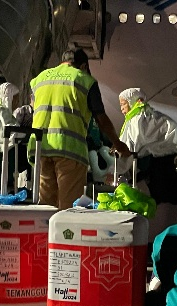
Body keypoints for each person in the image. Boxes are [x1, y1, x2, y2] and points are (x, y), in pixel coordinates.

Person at [29, 49, 130, 210]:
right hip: (69, 150)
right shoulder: (85, 80)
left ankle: (45, 235)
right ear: (83, 66)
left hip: (41, 148)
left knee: (46, 206)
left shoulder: (40, 79)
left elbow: (34, 108)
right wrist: (117, 143)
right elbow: (101, 119)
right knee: (69, 206)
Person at [117, 87, 177, 239]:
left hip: (166, 164)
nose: (122, 109)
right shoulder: (147, 115)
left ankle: (159, 238)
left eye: (123, 104)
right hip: (169, 163)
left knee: (164, 201)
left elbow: (131, 149)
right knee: (170, 202)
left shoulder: (139, 118)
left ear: (133, 102)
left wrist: (116, 169)